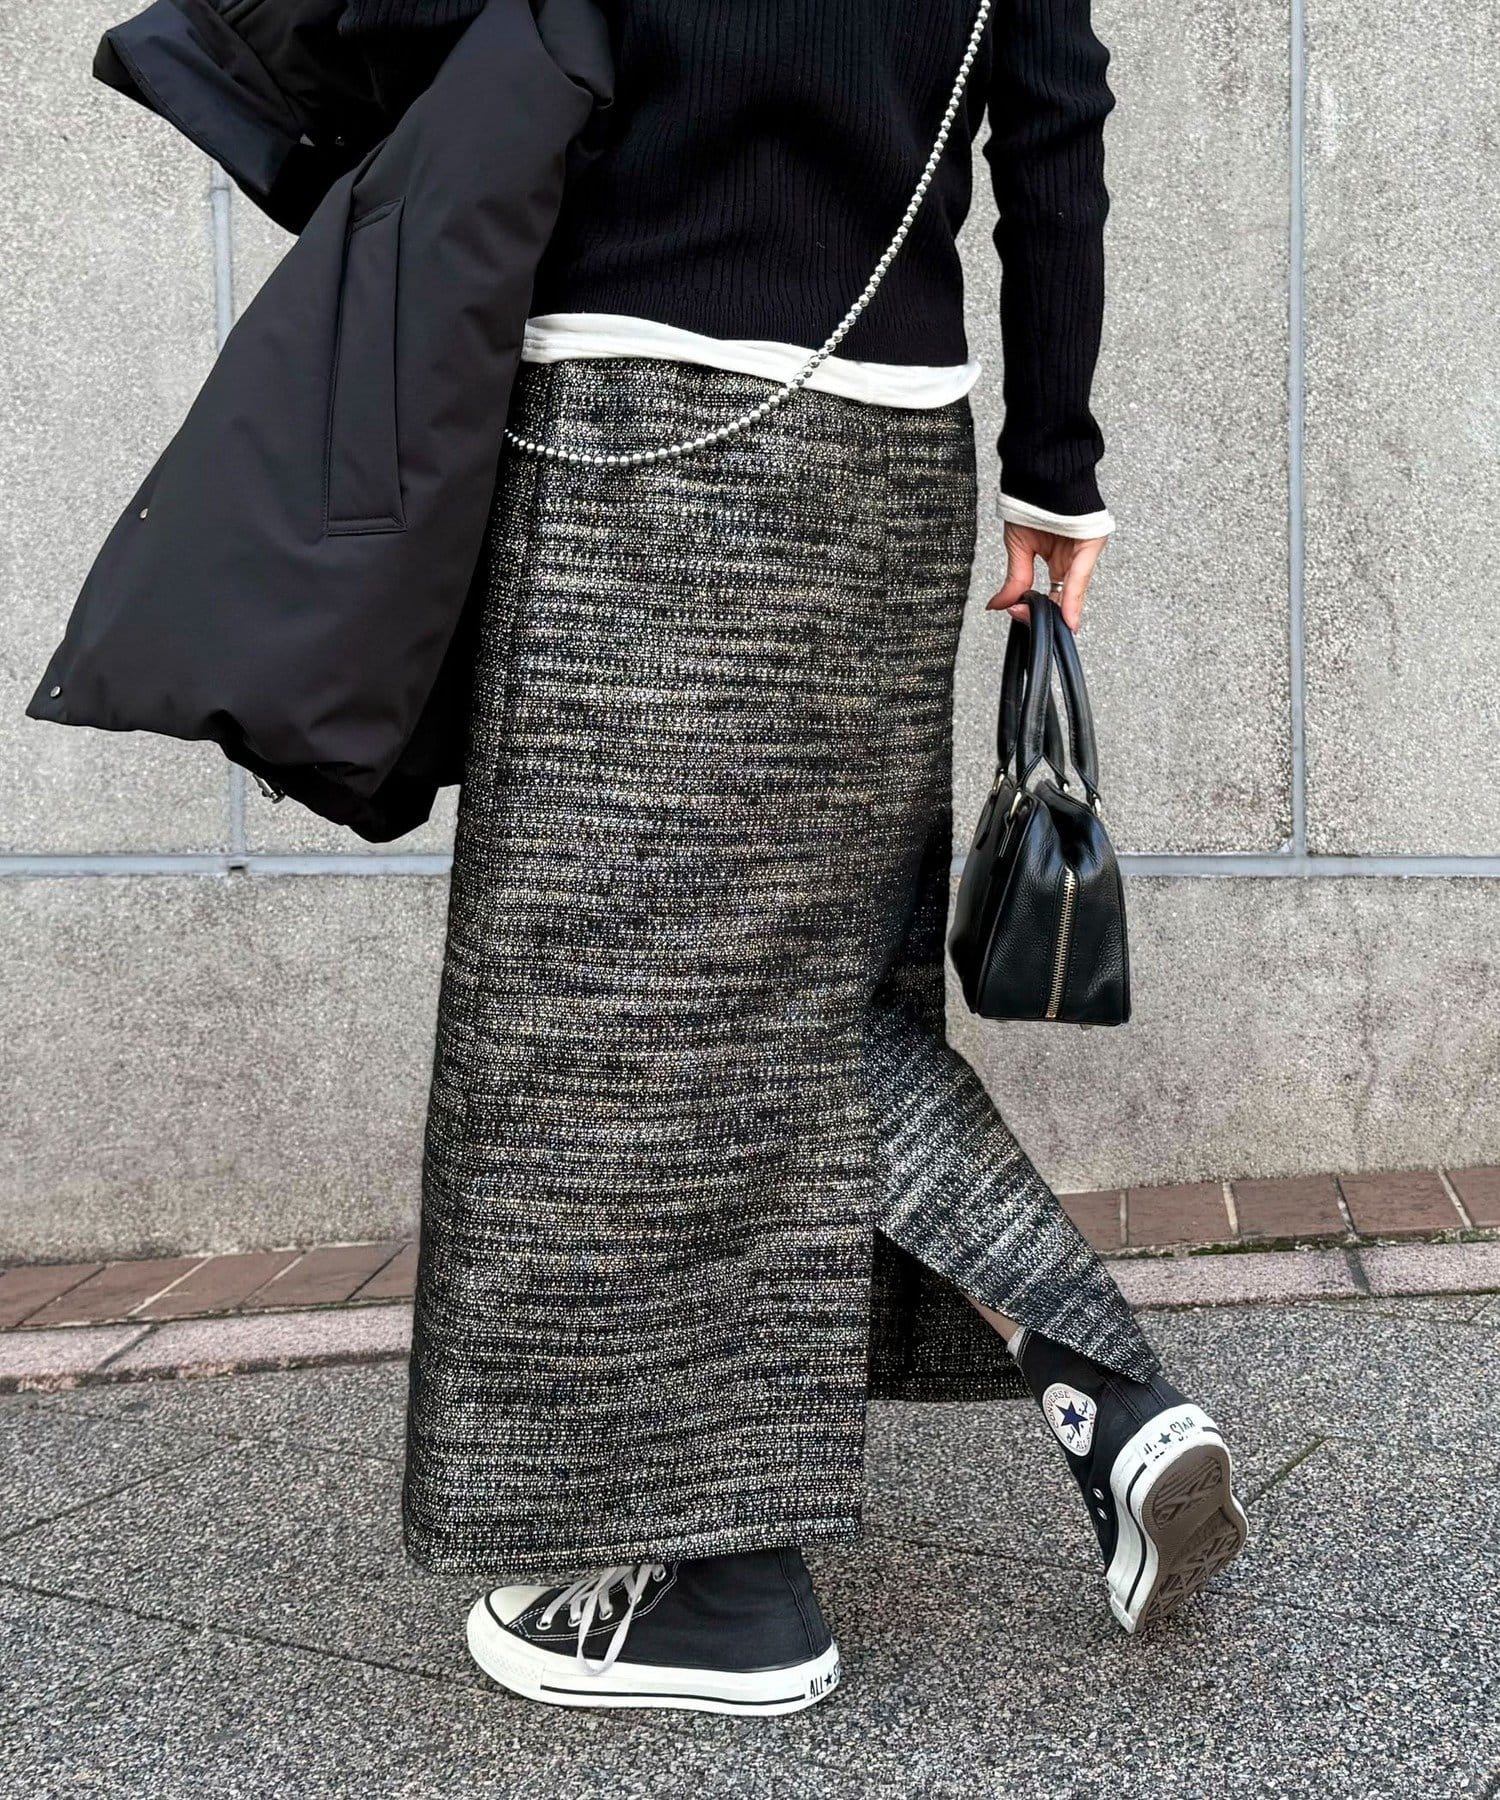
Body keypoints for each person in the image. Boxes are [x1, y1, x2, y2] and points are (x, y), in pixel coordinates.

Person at [340, 0, 1249, 1714]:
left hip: (636, 413)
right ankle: (1110, 1397)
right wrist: (1055, 472)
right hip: (894, 444)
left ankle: (722, 1585)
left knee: (596, 1001)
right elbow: (1054, 121)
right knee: (797, 990)